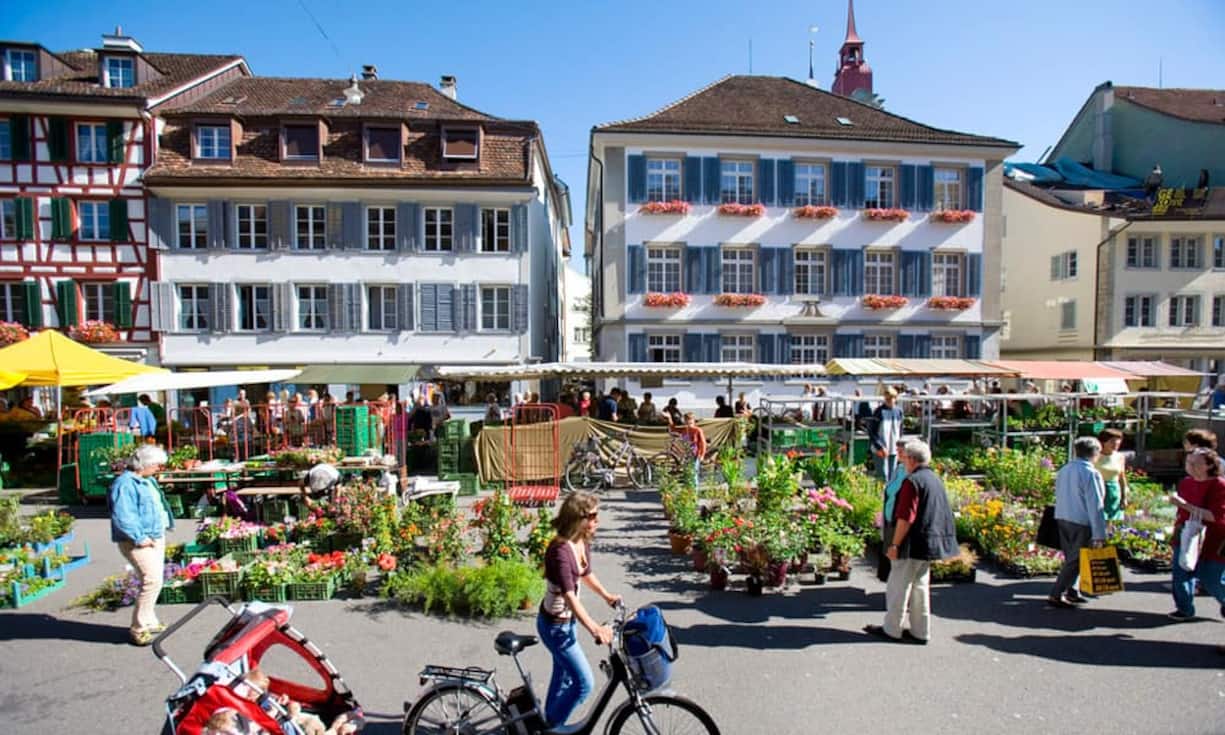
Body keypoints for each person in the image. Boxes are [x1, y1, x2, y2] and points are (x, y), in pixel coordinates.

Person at [537, 492, 621, 727]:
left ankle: (548, 725)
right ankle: (552, 727)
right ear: (579, 518)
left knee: (563, 677)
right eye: (593, 516)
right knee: (584, 683)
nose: (597, 521)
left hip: (566, 624)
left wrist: (607, 597)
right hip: (554, 626)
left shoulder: (581, 541)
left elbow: (585, 574)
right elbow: (570, 596)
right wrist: (595, 628)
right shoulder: (560, 550)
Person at [864, 439, 957, 644]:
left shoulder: (912, 481)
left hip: (911, 543)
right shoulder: (933, 478)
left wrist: (895, 545)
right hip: (928, 542)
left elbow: (906, 517)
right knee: (920, 586)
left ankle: (892, 628)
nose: (902, 460)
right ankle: (920, 631)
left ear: (912, 460)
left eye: (904, 457)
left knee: (899, 585)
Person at [109, 444, 173, 646]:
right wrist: (140, 537)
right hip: (137, 541)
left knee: (156, 580)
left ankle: (149, 619)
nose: (158, 468)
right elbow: (123, 516)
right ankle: (138, 627)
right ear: (144, 464)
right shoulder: (125, 484)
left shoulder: (147, 480)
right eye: (156, 465)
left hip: (155, 535)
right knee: (151, 580)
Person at [1048, 437, 1107, 609]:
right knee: (1075, 560)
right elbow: (1095, 504)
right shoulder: (1091, 473)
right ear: (1095, 453)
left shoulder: (1065, 469)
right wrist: (1099, 534)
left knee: (1071, 557)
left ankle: (1072, 591)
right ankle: (1056, 593)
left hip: (1063, 517)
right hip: (1082, 521)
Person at [1167, 448, 1225, 621]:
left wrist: (1185, 505)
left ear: (1208, 465)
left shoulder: (1219, 485)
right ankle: (1184, 609)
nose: (1190, 466)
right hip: (1185, 533)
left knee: (1211, 578)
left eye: (1195, 463)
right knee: (1180, 573)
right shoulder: (1186, 482)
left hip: (1213, 538)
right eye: (1188, 462)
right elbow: (1181, 512)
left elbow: (1216, 517)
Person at [878, 437, 912, 583]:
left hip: (900, 520)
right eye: (897, 450)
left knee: (899, 562)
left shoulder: (911, 473)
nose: (898, 454)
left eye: (901, 451)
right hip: (890, 518)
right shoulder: (899, 469)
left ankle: (898, 596)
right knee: (891, 560)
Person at [1095, 428, 1129, 522]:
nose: (1116, 445)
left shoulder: (1119, 457)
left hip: (1114, 491)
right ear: (1104, 442)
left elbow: (1122, 477)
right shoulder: (1095, 456)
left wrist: (1124, 497)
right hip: (1098, 490)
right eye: (1112, 442)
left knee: (1113, 520)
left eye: (1118, 442)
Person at [870, 389, 904, 482]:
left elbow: (900, 430)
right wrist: (880, 447)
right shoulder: (879, 411)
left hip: (894, 447)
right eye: (887, 398)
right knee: (883, 476)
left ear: (895, 398)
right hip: (880, 449)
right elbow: (872, 431)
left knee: (892, 475)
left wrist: (901, 446)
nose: (889, 400)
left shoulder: (899, 411)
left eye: (891, 398)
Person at [680, 412, 707, 480]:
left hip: (695, 454)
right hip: (687, 455)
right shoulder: (684, 431)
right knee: (687, 474)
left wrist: (702, 455)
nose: (689, 422)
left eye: (690, 420)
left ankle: (694, 490)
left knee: (693, 474)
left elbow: (703, 443)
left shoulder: (697, 430)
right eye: (687, 420)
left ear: (693, 421)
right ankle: (689, 489)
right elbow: (672, 429)